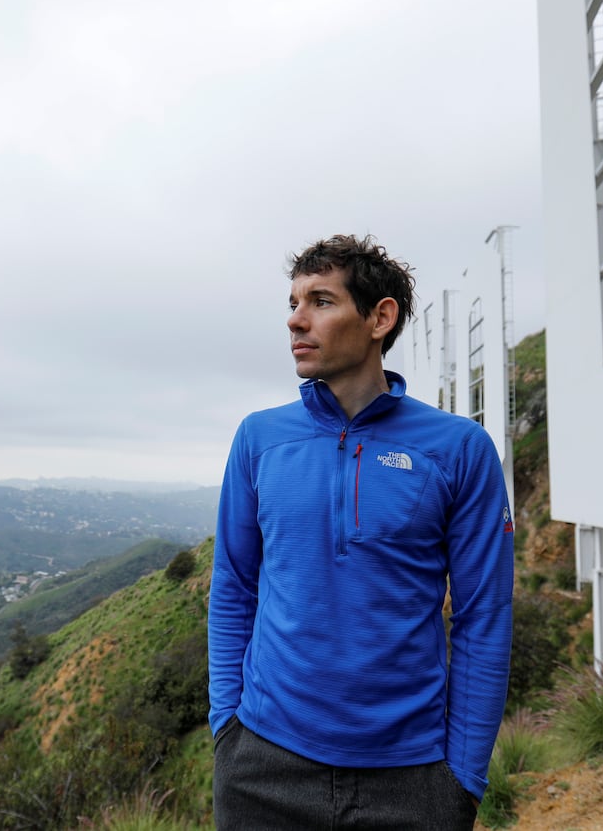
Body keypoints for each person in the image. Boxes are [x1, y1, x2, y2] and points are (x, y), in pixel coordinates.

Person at [208, 234, 513, 830]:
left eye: (320, 301)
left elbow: (485, 616)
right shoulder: (259, 438)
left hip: (411, 780)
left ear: (380, 317)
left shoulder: (460, 450)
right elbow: (233, 586)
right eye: (293, 303)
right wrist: (228, 730)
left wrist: (462, 780)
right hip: (261, 767)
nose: (296, 320)